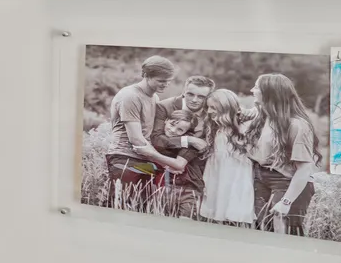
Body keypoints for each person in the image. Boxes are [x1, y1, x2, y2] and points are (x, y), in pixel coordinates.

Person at [107, 56, 188, 203]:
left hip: (145, 159)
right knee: (120, 206)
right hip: (125, 158)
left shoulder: (154, 97)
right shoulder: (130, 96)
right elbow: (136, 139)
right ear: (145, 75)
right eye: (161, 81)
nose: (166, 85)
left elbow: (149, 135)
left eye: (169, 81)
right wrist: (168, 162)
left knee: (143, 207)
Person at [247, 72, 321, 235]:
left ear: (270, 93)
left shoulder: (297, 125)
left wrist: (286, 202)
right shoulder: (263, 117)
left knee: (286, 235)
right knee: (263, 232)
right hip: (261, 178)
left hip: (287, 181)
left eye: (257, 87)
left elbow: (304, 169)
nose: (252, 90)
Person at [154, 75, 214, 216]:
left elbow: (205, 146)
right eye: (190, 94)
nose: (194, 100)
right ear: (184, 91)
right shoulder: (165, 106)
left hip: (193, 178)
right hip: (161, 173)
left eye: (201, 96)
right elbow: (156, 139)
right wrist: (188, 140)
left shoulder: (211, 113)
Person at [198, 88, 256, 225]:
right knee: (214, 210)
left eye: (213, 107)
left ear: (225, 107)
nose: (210, 111)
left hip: (236, 173)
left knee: (233, 209)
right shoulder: (213, 126)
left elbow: (259, 112)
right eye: (208, 107)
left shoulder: (245, 126)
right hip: (215, 171)